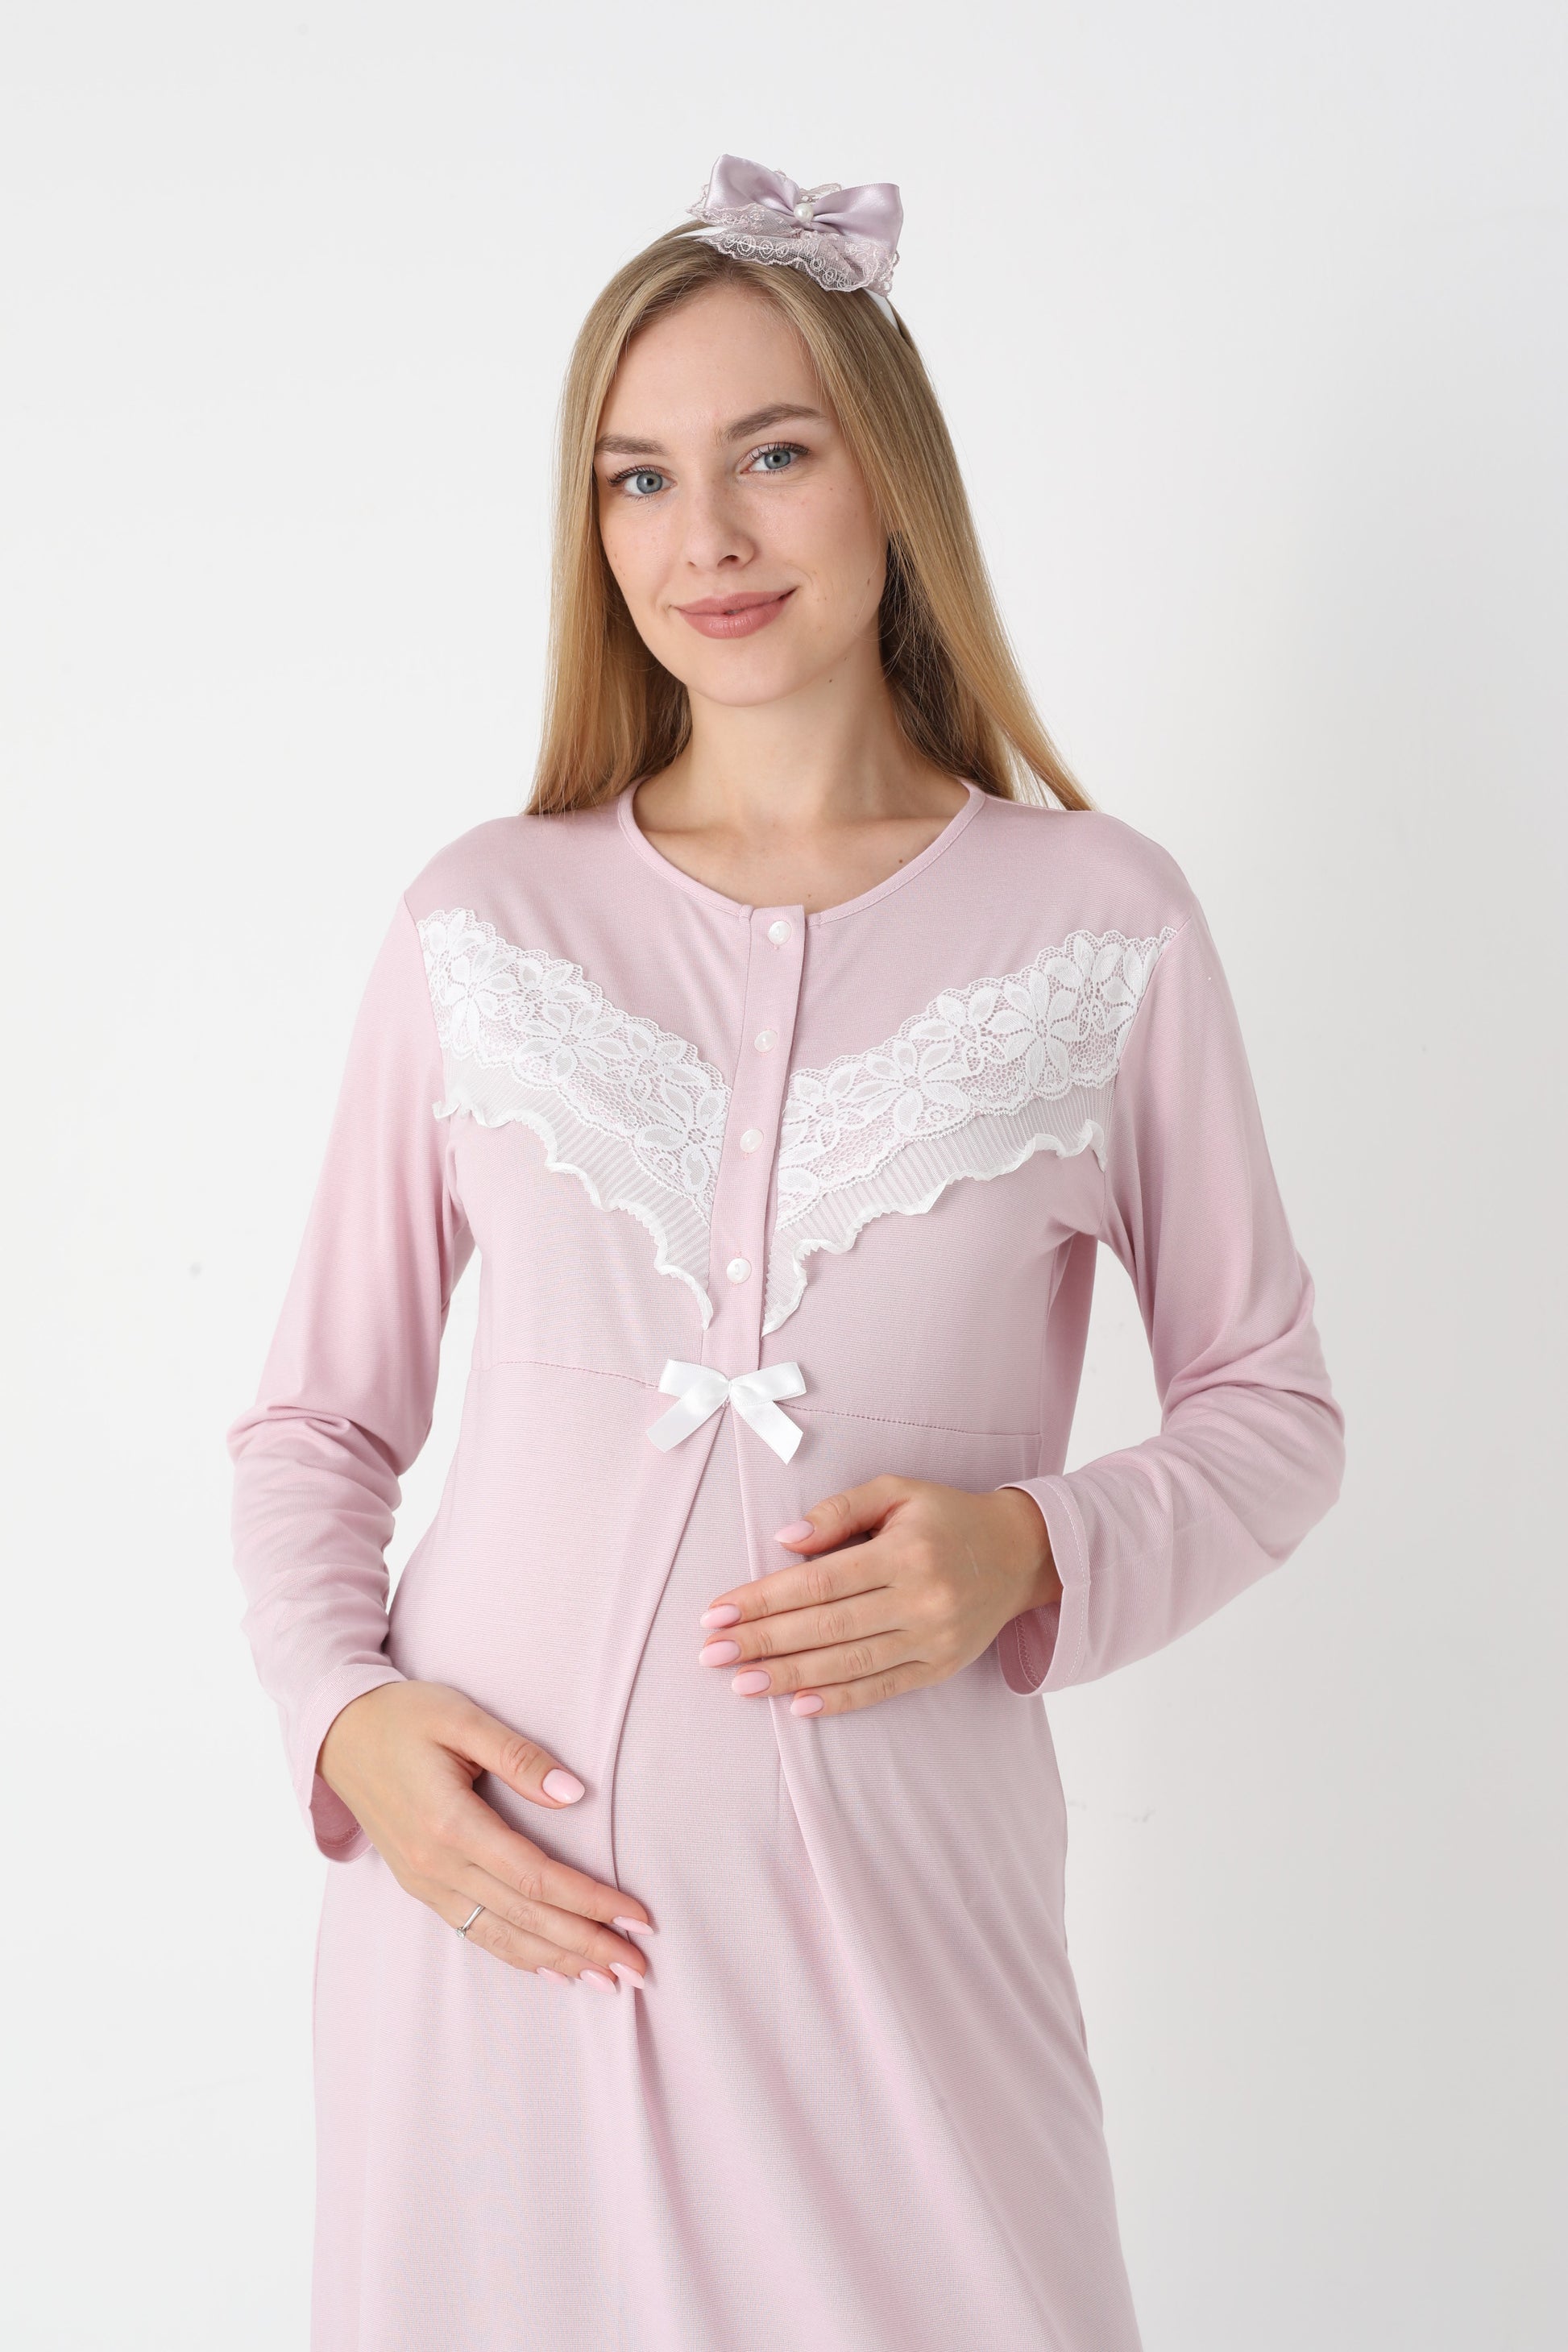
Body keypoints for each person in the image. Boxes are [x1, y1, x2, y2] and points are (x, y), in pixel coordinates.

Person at [227, 155, 1345, 2352]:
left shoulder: (1100, 920)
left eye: (770, 454)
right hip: (489, 1930)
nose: (706, 539)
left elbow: (1273, 1412)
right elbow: (313, 1424)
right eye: (638, 479)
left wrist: (1032, 1546)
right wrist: (347, 1727)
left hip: (892, 1946)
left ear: (889, 477)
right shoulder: (483, 920)